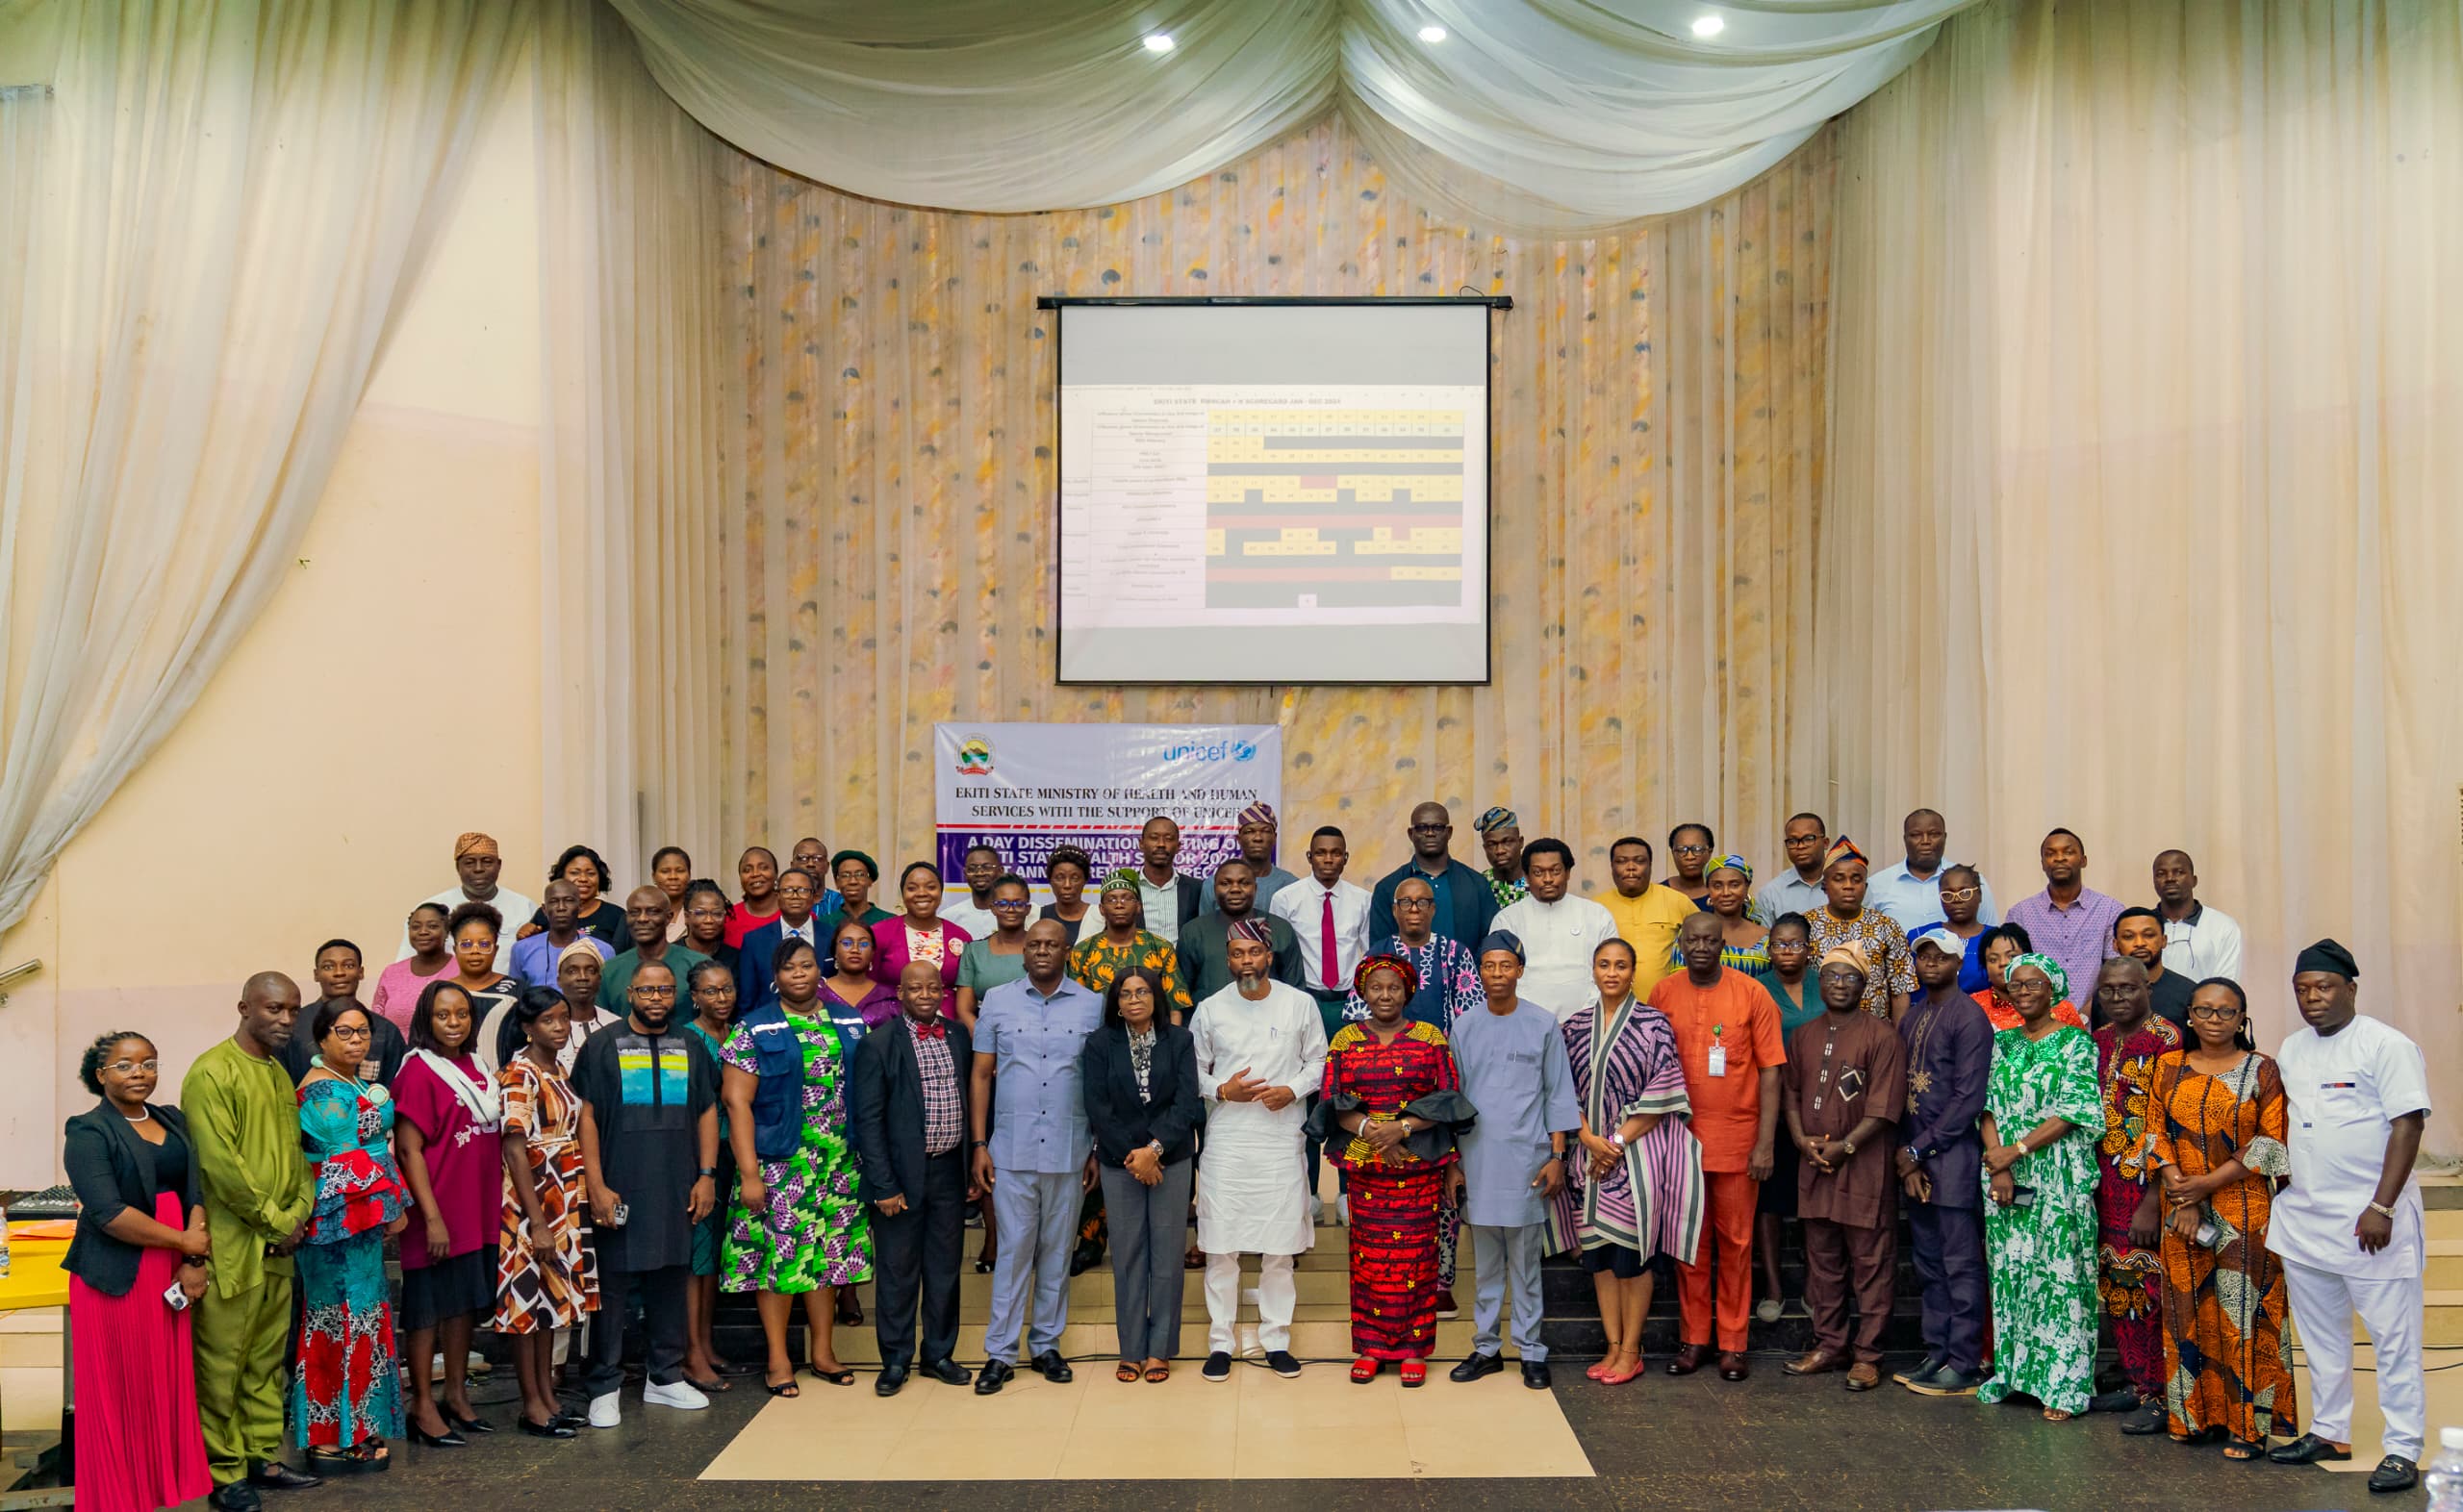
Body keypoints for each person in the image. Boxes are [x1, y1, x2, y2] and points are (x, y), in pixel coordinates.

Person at [2264, 940, 2431, 1494]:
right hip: (2306, 1219)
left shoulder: (2386, 1045)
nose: (2312, 997)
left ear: (2351, 989)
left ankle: (2403, 1447)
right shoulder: (2292, 1048)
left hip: (2371, 1221)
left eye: (2324, 987)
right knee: (2321, 1337)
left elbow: (2408, 1124)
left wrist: (2382, 1206)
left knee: (2393, 1340)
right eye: (2302, 989)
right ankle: (2330, 1431)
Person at [62, 1032, 215, 1512]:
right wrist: (183, 1242)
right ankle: (116, 1498)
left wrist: (193, 1260)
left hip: (172, 1268)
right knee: (119, 1390)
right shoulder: (88, 1130)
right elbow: (108, 1213)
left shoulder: (172, 1119)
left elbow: (195, 1190)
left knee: (161, 1385)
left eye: (148, 1063)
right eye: (125, 1065)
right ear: (100, 1074)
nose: (139, 1073)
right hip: (117, 1274)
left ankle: (158, 1491)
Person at [2145, 977, 2295, 1458]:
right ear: (2189, 1016)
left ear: (2241, 1019)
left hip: (2243, 1211)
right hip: (2180, 1209)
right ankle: (2193, 1418)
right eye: (2204, 1010)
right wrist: (2184, 1194)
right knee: (2185, 1312)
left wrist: (2205, 1186)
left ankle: (2247, 1428)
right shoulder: (2167, 1066)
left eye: (2226, 1012)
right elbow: (2153, 1133)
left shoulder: (2262, 1069)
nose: (2214, 1019)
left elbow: (2270, 1142)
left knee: (2242, 1315)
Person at [186, 976, 318, 1508]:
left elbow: (297, 1155)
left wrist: (299, 1213)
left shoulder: (279, 1073)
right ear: (244, 1008)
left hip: (278, 1247)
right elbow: (221, 1167)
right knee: (222, 1366)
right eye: (274, 1009)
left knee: (265, 1361)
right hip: (233, 1246)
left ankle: (262, 1455)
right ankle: (224, 1473)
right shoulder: (212, 1072)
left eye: (293, 1010)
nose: (286, 1020)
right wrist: (276, 1223)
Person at [721, 938, 872, 1396]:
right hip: (780, 1165)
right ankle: (778, 1360)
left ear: (818, 970)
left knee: (828, 1258)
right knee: (779, 1260)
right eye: (789, 968)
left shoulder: (849, 1021)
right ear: (776, 977)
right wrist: (750, 1174)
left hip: (840, 1162)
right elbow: (737, 1103)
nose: (799, 974)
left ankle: (823, 1353)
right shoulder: (753, 1028)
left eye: (806, 965)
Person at [572, 959, 721, 1427]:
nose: (656, 999)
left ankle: (665, 1376)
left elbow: (706, 1110)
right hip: (619, 1183)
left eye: (665, 991)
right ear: (630, 995)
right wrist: (596, 1183)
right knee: (613, 1287)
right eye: (647, 991)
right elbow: (586, 1115)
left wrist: (706, 1175)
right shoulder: (602, 1045)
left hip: (677, 1183)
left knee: (671, 1279)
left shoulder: (690, 1045)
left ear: (676, 995)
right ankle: (604, 1385)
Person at [1313, 954, 1472, 1385]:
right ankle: (1371, 1347)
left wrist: (1401, 1129)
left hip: (1418, 1165)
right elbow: (1332, 1099)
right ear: (1363, 993)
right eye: (1376, 988)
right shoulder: (1346, 1039)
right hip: (1367, 1165)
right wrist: (1372, 1130)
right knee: (1368, 1259)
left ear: (1407, 992)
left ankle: (1413, 1349)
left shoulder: (1430, 1037)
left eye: (1394, 988)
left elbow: (1448, 1098)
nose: (1385, 995)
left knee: (1418, 1259)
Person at [1553, 940, 1700, 1387]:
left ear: (1634, 971)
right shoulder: (1575, 1027)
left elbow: (1665, 1090)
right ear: (1593, 970)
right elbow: (1561, 1088)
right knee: (1599, 1260)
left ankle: (1633, 1350)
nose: (1612, 972)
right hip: (1588, 1158)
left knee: (1632, 1259)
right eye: (1604, 964)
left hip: (1636, 1157)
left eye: (1621, 965)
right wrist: (1587, 1138)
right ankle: (1612, 1345)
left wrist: (1614, 1143)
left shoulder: (1654, 1024)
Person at [970, 920, 1104, 1394]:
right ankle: (1000, 1353)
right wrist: (980, 1144)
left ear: (1067, 951)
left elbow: (1100, 1081)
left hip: (1071, 1150)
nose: (1042, 951)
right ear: (1023, 952)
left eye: (1051, 944)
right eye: (1034, 944)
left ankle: (1046, 1344)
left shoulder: (1093, 1004)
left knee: (1057, 1252)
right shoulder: (997, 1001)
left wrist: (1094, 1147)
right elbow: (981, 1075)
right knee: (1012, 1253)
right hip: (1011, 1150)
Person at [1189, 921, 1327, 1381]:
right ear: (1228, 959)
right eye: (1237, 954)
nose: (1246, 961)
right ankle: (1220, 1342)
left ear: (1269, 955)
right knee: (1221, 1248)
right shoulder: (1210, 1009)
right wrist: (1221, 1090)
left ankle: (1276, 1340)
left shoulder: (1299, 1004)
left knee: (1279, 1249)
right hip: (1228, 1142)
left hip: (1280, 1141)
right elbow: (1192, 1071)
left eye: (1253, 952)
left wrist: (1292, 1089)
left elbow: (1319, 1061)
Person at [1654, 913, 1784, 1380]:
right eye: (1693, 940)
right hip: (1679, 1143)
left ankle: (1732, 1343)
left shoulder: (1752, 993)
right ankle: (1694, 1340)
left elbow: (1771, 1071)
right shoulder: (1663, 993)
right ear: (1681, 944)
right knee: (1689, 1245)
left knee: (1737, 1244)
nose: (1701, 947)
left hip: (1737, 1142)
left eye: (1710, 940)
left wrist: (1765, 1143)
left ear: (1723, 944)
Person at [1446, 931, 1577, 1389]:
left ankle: (1531, 1351)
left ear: (1520, 970)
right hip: (1478, 1160)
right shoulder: (1464, 1026)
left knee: (1525, 1265)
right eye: (1489, 966)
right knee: (1485, 1264)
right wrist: (1453, 1162)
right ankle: (1486, 1348)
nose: (1497, 974)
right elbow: (1453, 1099)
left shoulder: (1542, 1024)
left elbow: (1557, 1093)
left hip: (1528, 1161)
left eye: (1506, 965)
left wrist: (1557, 1155)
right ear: (1479, 972)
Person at [1977, 953, 2105, 1421]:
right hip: (2005, 1177)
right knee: (2011, 1273)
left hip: (2058, 1176)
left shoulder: (2076, 1043)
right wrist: (1999, 1163)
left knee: (2060, 1277)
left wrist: (2017, 1150)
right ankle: (2015, 1376)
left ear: (2054, 990)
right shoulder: (2001, 1042)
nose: (2025, 991)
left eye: (2035, 984)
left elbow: (2074, 1111)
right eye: (2017, 985)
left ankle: (2064, 1386)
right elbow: (1986, 1106)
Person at [1780, 943, 1908, 1392]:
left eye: (1849, 977)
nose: (1839, 984)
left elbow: (1884, 1108)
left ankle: (1868, 1355)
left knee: (1871, 1263)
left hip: (1864, 1165)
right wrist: (1800, 1140)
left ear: (1864, 985)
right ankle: (1830, 1345)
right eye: (1831, 976)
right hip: (1814, 1164)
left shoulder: (1883, 1036)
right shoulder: (1804, 1035)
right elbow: (1791, 1093)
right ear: (1819, 982)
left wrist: (1845, 1147)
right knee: (1823, 1263)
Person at [851, 960, 981, 1395]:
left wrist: (969, 1164)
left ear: (942, 992)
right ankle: (895, 1359)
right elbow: (868, 1120)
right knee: (898, 1270)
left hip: (949, 1169)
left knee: (944, 1269)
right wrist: (884, 1184)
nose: (925, 995)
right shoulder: (879, 1043)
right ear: (901, 994)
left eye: (932, 987)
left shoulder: (959, 1035)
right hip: (901, 1176)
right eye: (915, 988)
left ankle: (938, 1354)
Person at [290, 1002, 410, 1473]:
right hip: (334, 1221)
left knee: (362, 1321)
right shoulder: (322, 1090)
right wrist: (392, 1205)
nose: (356, 1039)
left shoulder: (351, 1081)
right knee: (335, 1324)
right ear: (322, 1038)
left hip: (361, 1218)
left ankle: (355, 1428)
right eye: (344, 1032)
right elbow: (345, 1158)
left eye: (363, 1031)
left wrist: (389, 1204)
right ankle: (327, 1439)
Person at [393, 981, 502, 1446]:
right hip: (435, 1212)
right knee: (428, 1310)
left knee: (462, 1308)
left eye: (461, 1014)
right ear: (426, 1019)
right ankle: (421, 1405)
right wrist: (432, 1217)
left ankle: (456, 1395)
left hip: (476, 1209)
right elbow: (408, 1149)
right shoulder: (418, 1070)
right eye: (442, 1015)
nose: (454, 1023)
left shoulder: (478, 1065)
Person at [1080, 968, 1204, 1383]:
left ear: (1156, 997)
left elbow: (1187, 1103)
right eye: (1126, 993)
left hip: (1171, 1159)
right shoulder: (1099, 1043)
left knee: (1167, 1256)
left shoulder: (1180, 1040)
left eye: (1143, 992)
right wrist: (1135, 1157)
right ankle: (1131, 1350)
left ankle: (1159, 1350)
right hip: (1121, 1163)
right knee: (1129, 1256)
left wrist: (1154, 1150)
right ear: (1116, 1002)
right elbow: (1097, 1106)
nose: (1134, 999)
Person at [491, 987, 597, 1439]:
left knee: (549, 1304)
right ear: (527, 1027)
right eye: (548, 1020)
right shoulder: (520, 1074)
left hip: (563, 1195)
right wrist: (536, 1220)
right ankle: (531, 1405)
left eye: (563, 1018)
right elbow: (514, 1147)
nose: (559, 1027)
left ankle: (548, 1398)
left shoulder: (557, 1069)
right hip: (530, 1200)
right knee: (526, 1304)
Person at [1892, 932, 1993, 1396]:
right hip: (1916, 1160)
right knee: (1929, 1263)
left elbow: (1968, 1099)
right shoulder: (1913, 1016)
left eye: (1941, 956)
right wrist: (1909, 1158)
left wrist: (1919, 1150)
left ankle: (1965, 1361)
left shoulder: (1969, 1017)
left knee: (1960, 1263)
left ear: (1959, 962)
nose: (1931, 962)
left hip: (1953, 1157)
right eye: (1924, 956)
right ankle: (1937, 1351)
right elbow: (1901, 1092)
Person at [2087, 955, 2185, 1424]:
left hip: (2146, 1187)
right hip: (2103, 1183)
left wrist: (2152, 1199)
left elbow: (2169, 1121)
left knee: (2150, 1290)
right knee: (2117, 1286)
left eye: (2127, 988)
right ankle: (2137, 1382)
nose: (2117, 997)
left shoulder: (2168, 1040)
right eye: (2108, 989)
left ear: (2147, 989)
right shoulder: (2099, 1040)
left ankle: (2164, 1395)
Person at [1753, 912, 1821, 1324]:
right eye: (1779, 944)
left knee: (1815, 1203)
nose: (1787, 951)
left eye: (1795, 944)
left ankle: (1814, 1286)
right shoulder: (1757, 988)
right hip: (1774, 1112)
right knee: (1771, 1204)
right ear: (1769, 949)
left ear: (1809, 949)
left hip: (1821, 1111)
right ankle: (1774, 1288)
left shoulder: (1825, 982)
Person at [678, 960, 742, 1390]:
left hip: (731, 1154)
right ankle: (690, 1353)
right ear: (695, 997)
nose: (721, 998)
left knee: (712, 1258)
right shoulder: (687, 1038)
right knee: (694, 1258)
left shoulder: (737, 1034)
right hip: (697, 1157)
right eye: (711, 991)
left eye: (727, 989)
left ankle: (705, 1343)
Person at [1490, 837, 1618, 1022]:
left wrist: (1583, 1018)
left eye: (1555, 871)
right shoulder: (1507, 920)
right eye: (1538, 872)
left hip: (1588, 1023)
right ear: (1526, 876)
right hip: (1525, 1024)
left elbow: (1610, 972)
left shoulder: (1597, 915)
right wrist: (1532, 1020)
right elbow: (1500, 976)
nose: (1548, 879)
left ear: (1568, 872)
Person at [2004, 828, 2122, 1023]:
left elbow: (2115, 971)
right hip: (2037, 1026)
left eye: (2068, 852)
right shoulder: (2020, 914)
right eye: (2051, 854)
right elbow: (2014, 975)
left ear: (2083, 860)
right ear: (2043, 864)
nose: (2059, 858)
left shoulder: (2109, 909)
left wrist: (2083, 1016)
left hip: (2096, 1023)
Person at [1268, 825, 1372, 1039]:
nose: (1328, 859)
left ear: (1345, 858)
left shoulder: (1363, 900)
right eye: (1320, 853)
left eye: (1336, 853)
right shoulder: (1285, 899)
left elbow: (1371, 952)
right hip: (1306, 998)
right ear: (1309, 857)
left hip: (1350, 1000)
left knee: (1350, 1056)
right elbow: (1277, 955)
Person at [1802, 839, 1914, 1019]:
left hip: (1876, 1031)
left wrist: (1896, 1033)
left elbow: (1901, 989)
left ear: (1865, 887)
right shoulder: (1805, 925)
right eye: (1839, 879)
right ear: (1825, 886)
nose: (1848, 886)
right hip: (1820, 1028)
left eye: (1856, 880)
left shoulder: (1887, 926)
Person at [1366, 801, 1498, 950]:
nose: (1430, 833)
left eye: (1437, 827)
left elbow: (1491, 944)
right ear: (1411, 834)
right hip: (1405, 966)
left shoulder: (1477, 884)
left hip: (1466, 966)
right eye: (1422, 828)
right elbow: (1380, 950)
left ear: (1449, 832)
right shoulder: (1387, 889)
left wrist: (1466, 965)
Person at [397, 831, 536, 970]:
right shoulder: (431, 911)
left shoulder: (525, 907)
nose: (478, 869)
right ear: (458, 867)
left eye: (487, 862)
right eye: (469, 863)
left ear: (499, 865)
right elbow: (406, 965)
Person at [281, 939, 406, 1090]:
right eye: (328, 967)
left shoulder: (386, 1031)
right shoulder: (294, 1025)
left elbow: (399, 1088)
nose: (339, 973)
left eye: (348, 965)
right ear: (316, 974)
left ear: (361, 972)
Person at [1178, 859, 1305, 1004]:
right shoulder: (1193, 932)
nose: (1235, 889)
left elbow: (1295, 989)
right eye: (1225, 883)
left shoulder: (1280, 929)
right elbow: (1183, 992)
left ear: (1255, 888)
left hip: (1272, 1016)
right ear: (1214, 889)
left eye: (1244, 883)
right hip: (1211, 1017)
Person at [1072, 868, 1194, 1019]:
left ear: (1138, 907)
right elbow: (1073, 1007)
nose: (1119, 904)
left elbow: (1175, 1008)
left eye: (1126, 898)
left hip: (1153, 1031)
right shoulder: (1082, 951)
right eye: (1111, 899)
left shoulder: (1161, 948)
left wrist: (1172, 1035)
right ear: (1101, 909)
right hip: (1099, 1031)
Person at [1867, 808, 1999, 933]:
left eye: (1934, 834)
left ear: (1945, 837)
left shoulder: (1971, 883)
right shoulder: (1877, 885)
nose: (1925, 841)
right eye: (1916, 835)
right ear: (1905, 839)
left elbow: (1990, 935)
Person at [1600, 836, 1699, 997]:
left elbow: (1707, 942)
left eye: (1639, 861)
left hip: (1667, 1001)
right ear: (1612, 866)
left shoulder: (1677, 901)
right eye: (1621, 861)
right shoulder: (1597, 908)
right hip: (1611, 1003)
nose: (1631, 868)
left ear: (1650, 865)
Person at [598, 886, 712, 1015]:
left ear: (668, 917)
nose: (642, 919)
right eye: (634, 912)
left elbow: (712, 1020)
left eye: (652, 912)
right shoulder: (610, 971)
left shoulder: (698, 965)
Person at [736, 867, 832, 1012]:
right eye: (787, 890)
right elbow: (747, 999)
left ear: (813, 896)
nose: (795, 896)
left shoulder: (832, 935)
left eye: (803, 890)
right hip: (770, 1020)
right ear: (778, 896)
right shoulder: (754, 940)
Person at [442, 902, 522, 1077]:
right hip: (450, 1083)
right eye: (466, 945)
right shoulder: (440, 993)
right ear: (455, 949)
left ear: (496, 949)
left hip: (506, 1083)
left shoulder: (518, 991)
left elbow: (528, 1043)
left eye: (484, 944)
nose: (475, 951)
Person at [952, 873, 1037, 1029]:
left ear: (1028, 909)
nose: (1011, 909)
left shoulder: (1042, 949)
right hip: (986, 1034)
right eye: (1003, 903)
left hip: (1037, 1032)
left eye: (1018, 904)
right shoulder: (974, 951)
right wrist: (983, 1038)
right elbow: (964, 1010)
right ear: (993, 908)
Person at [873, 861, 973, 988]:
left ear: (941, 892)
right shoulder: (879, 933)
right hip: (891, 1001)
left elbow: (966, 989)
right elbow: (868, 983)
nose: (922, 893)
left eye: (931, 887)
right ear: (903, 894)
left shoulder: (961, 936)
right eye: (912, 888)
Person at [1969, 922, 2086, 1031]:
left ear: (2029, 960)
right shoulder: (1972, 1006)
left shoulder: (2062, 1009)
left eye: (2012, 956)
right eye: (1993, 959)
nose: (2003, 963)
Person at [2151, 850, 2242, 980]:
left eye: (2179, 872)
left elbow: (2226, 984)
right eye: (2161, 874)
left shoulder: (2222, 926)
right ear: (2154, 882)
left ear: (2194, 881)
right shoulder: (2143, 927)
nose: (2170, 878)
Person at [511, 879, 615, 992]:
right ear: (544, 910)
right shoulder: (522, 949)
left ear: (580, 907)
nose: (561, 908)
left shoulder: (602, 950)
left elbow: (607, 994)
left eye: (569, 901)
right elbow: (516, 995)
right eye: (554, 901)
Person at [372, 903, 454, 1032]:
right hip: (396, 1046)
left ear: (447, 931)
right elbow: (376, 1024)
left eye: (432, 926)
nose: (423, 932)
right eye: (416, 927)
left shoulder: (462, 969)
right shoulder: (391, 973)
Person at [2109, 907, 2192, 1028]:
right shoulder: (2105, 995)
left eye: (2149, 935)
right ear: (2115, 945)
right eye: (2128, 936)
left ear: (2164, 940)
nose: (2139, 943)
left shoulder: (2188, 993)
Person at [819, 919, 901, 1041]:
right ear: (835, 951)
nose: (855, 950)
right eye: (847, 943)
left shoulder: (890, 998)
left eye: (863, 944)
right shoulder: (817, 993)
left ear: (873, 952)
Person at [523, 844, 623, 944]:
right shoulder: (546, 913)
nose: (583, 879)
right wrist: (524, 935)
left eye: (591, 873)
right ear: (561, 877)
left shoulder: (616, 915)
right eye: (575, 873)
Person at [1695, 854, 1772, 980]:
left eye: (1734, 885)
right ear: (1708, 889)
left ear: (1747, 887)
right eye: (1717, 886)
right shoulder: (1691, 936)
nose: (1726, 893)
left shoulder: (1767, 940)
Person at [1129, 815, 1203, 945]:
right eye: (1154, 838)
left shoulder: (1196, 888)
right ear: (1141, 844)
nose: (1161, 844)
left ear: (1178, 846)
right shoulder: (1127, 887)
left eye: (1168, 839)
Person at [552, 940, 622, 1072]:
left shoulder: (616, 1025)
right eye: (572, 971)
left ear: (599, 980)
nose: (582, 977)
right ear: (559, 980)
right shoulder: (545, 1028)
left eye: (590, 971)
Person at [1753, 812, 1830, 923]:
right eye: (1792, 841)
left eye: (1808, 839)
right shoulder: (1771, 894)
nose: (1800, 846)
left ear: (1825, 843)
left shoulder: (1849, 886)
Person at [938, 843, 1004, 940]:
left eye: (987, 867)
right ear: (965, 874)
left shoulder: (1014, 914)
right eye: (972, 869)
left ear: (1000, 871)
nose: (979, 873)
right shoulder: (948, 917)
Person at [724, 846, 783, 948]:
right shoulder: (728, 917)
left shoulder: (794, 913)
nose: (755, 874)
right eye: (747, 870)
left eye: (763, 868)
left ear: (776, 874)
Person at [680, 877, 742, 974]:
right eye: (700, 913)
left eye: (717, 913)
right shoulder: (671, 955)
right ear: (686, 917)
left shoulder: (737, 959)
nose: (709, 920)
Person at [1036, 844, 1095, 944]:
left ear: (1085, 880)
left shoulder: (1099, 917)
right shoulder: (1037, 916)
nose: (1067, 885)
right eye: (1060, 878)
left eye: (1075, 878)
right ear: (1050, 880)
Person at [1472, 806, 1528, 906]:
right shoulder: (1480, 885)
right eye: (1492, 844)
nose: (1500, 851)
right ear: (1485, 848)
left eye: (1507, 842)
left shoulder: (1538, 880)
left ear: (1520, 842)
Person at [830, 850, 895, 928]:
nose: (853, 881)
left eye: (860, 874)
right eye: (845, 875)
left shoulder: (891, 921)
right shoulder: (825, 923)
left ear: (870, 881)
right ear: (837, 882)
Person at [787, 837, 845, 918]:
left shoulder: (841, 903)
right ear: (792, 866)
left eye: (818, 858)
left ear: (827, 866)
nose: (810, 864)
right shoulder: (782, 903)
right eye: (803, 858)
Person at [1664, 822, 1717, 908]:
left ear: (1709, 852)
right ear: (1673, 853)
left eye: (1697, 849)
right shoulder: (1660, 892)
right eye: (1681, 850)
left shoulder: (1724, 894)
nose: (1690, 857)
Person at [650, 844, 696, 941]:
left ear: (689, 875)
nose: (673, 877)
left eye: (680, 871)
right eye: (665, 871)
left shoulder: (699, 914)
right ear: (654, 876)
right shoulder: (640, 915)